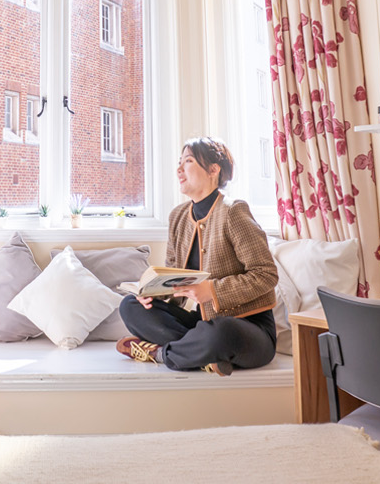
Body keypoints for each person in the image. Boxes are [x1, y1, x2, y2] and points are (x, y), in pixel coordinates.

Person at [116, 138, 278, 376]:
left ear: (214, 169)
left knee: (220, 333)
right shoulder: (178, 217)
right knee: (129, 307)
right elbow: (173, 278)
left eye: (188, 161)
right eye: (179, 163)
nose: (179, 169)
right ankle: (201, 355)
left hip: (247, 328)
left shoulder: (234, 211)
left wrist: (212, 290)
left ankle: (161, 353)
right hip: (202, 324)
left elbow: (266, 274)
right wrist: (151, 294)